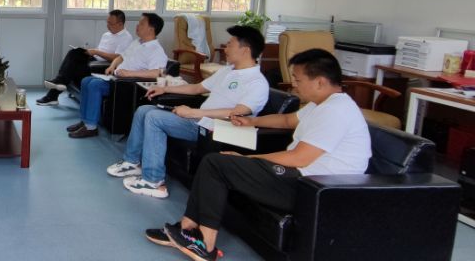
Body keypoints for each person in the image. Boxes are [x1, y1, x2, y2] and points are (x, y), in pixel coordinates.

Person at [150, 49, 371, 261]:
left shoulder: (336, 111)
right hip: (299, 178)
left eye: (298, 79)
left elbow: (299, 158)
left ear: (320, 82)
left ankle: (204, 245)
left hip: (312, 189)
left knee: (216, 164)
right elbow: (287, 120)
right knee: (215, 162)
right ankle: (187, 229)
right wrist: (251, 121)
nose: (294, 85)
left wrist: (247, 159)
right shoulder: (320, 105)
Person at [107, 25, 270, 199]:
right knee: (144, 110)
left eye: (230, 44)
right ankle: (132, 162)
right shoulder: (228, 71)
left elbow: (237, 112)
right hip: (199, 121)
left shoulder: (257, 83)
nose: (225, 49)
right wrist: (165, 89)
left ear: (245, 50)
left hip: (213, 131)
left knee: (154, 117)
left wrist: (194, 113)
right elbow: (197, 88)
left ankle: (154, 181)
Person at [68, 13, 168, 139]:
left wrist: (130, 73)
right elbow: (121, 57)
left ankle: (91, 128)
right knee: (86, 81)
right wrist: (112, 66)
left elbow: (158, 73)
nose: (137, 26)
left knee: (94, 85)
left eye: (141, 24)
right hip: (116, 79)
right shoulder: (137, 42)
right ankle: (85, 121)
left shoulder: (156, 50)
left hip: (127, 85)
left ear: (151, 29)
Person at [37, 9, 133, 106]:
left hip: (104, 67)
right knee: (74, 52)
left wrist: (96, 52)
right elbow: (101, 50)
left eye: (110, 23)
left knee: (73, 67)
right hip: (95, 59)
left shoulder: (126, 38)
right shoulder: (106, 35)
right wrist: (90, 51)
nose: (107, 25)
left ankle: (53, 93)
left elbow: (117, 58)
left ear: (120, 24)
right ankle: (57, 85)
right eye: (107, 22)